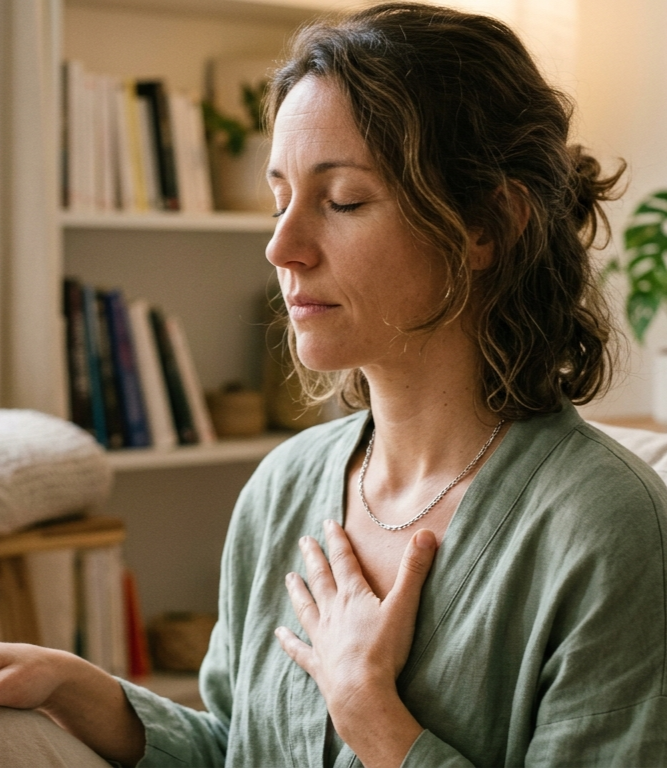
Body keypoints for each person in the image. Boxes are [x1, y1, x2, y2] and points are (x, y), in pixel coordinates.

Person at [1, 3, 666, 766]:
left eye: (342, 200)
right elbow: (236, 746)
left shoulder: (606, 531)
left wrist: (372, 717)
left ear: (489, 226)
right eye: (278, 198)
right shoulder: (283, 486)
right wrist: (78, 688)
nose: (281, 246)